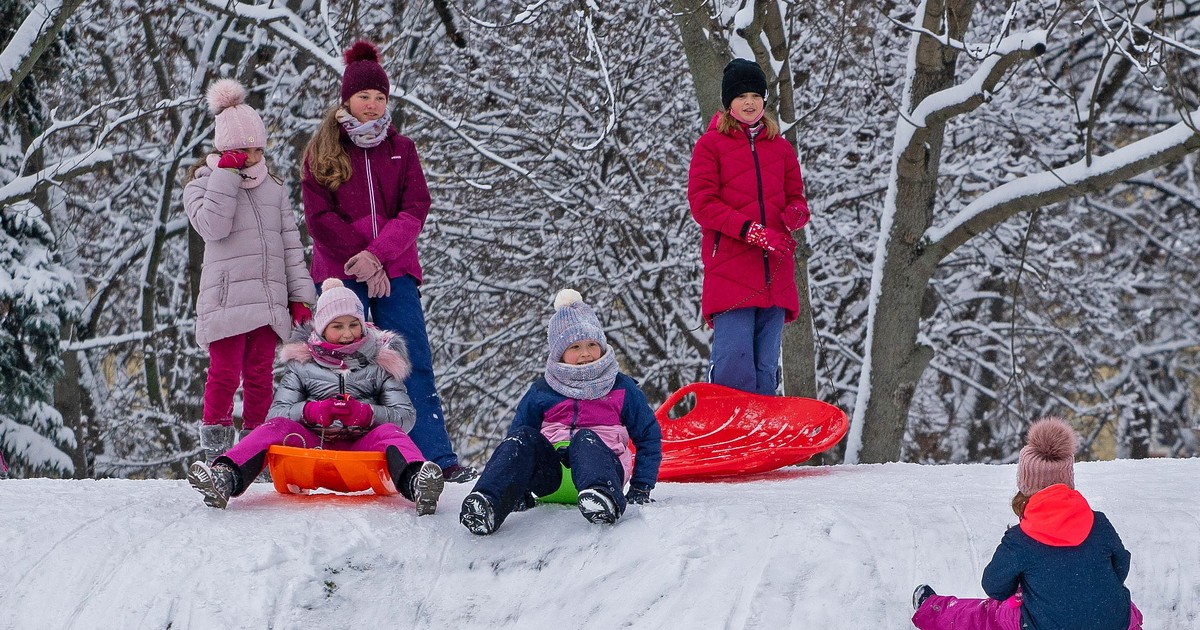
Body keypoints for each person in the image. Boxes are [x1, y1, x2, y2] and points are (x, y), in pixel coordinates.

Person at [300, 40, 475, 482]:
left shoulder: (402, 148)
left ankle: (435, 456)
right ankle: (343, 453)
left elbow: (415, 208)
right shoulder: (321, 151)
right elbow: (318, 217)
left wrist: (377, 257)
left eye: (380, 97)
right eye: (365, 97)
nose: (374, 105)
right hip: (341, 276)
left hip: (395, 270)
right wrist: (359, 260)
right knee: (341, 362)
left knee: (409, 357)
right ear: (347, 99)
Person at [187, 279, 445, 515]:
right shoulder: (302, 365)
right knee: (275, 428)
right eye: (338, 326)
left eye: (354, 324)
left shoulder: (379, 364)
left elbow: (406, 416)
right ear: (322, 328)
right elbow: (277, 412)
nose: (347, 334)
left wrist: (366, 415)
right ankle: (226, 477)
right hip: (311, 444)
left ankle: (416, 483)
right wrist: (311, 411)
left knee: (391, 432)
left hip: (363, 448)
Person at [184, 79, 316, 463]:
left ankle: (255, 451)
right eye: (243, 149)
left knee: (260, 377)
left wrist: (300, 297)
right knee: (224, 375)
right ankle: (216, 454)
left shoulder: (272, 188)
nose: (252, 156)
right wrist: (226, 175)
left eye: (257, 148)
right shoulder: (202, 185)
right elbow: (213, 226)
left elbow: (290, 244)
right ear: (225, 148)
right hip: (226, 300)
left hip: (268, 301)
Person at [458, 289, 663, 535]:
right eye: (575, 346)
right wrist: (520, 488)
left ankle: (602, 500)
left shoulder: (620, 388)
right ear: (559, 352)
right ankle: (487, 504)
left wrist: (641, 487)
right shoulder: (543, 391)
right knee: (522, 435)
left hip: (602, 472)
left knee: (584, 438)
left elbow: (648, 436)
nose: (585, 353)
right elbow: (517, 444)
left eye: (592, 344)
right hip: (552, 479)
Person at [911, 417, 1143, 630]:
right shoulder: (1099, 523)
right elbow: (1120, 566)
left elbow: (994, 587)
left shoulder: (1021, 540)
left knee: (991, 614)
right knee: (1128, 610)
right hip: (1114, 623)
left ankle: (932, 608)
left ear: (1025, 485)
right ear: (1067, 479)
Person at [687, 58, 810, 396]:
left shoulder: (781, 148)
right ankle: (729, 434)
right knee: (734, 362)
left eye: (756, 95)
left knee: (766, 366)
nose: (750, 102)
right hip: (730, 269)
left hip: (776, 272)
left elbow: (796, 197)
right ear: (729, 102)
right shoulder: (710, 146)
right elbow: (703, 204)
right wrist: (751, 231)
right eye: (742, 96)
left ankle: (761, 439)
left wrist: (796, 214)